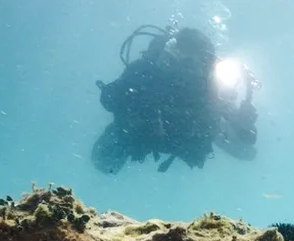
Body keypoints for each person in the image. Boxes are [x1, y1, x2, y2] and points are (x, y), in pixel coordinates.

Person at [92, 25, 259, 174]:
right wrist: (130, 92)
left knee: (245, 151)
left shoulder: (212, 88)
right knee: (102, 161)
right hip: (144, 131)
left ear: (208, 64)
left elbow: (247, 146)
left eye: (197, 62)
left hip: (188, 136)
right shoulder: (148, 71)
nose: (188, 69)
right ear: (172, 53)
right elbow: (109, 100)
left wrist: (243, 126)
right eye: (184, 58)